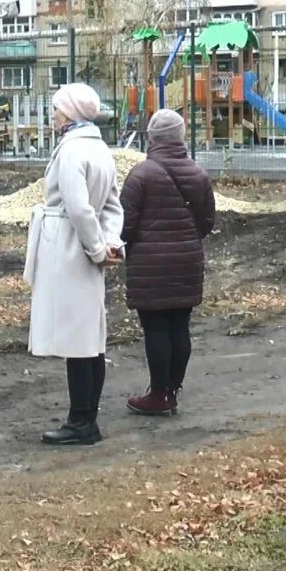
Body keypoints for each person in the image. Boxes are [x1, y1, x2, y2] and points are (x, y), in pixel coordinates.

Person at [24, 83, 123, 446]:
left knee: (77, 339)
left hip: (67, 248)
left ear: (71, 112)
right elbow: (112, 205)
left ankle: (81, 421)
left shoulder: (71, 152)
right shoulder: (100, 149)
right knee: (89, 337)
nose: (53, 115)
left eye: (56, 108)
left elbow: (79, 208)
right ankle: (85, 417)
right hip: (84, 248)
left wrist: (97, 248)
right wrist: (110, 242)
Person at [120, 110, 215, 416]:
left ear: (152, 138)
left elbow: (125, 225)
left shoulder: (141, 175)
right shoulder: (199, 174)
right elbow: (206, 222)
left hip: (150, 265)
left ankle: (158, 393)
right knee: (180, 325)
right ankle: (172, 390)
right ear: (181, 136)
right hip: (187, 260)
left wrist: (137, 246)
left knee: (156, 328)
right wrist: (185, 240)